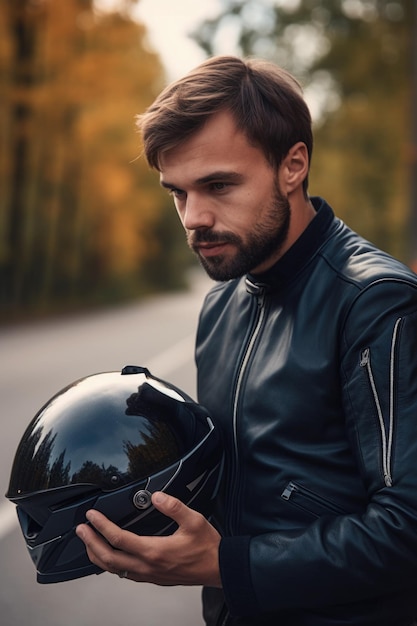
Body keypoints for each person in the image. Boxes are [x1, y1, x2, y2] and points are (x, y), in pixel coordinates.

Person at [76, 56, 417, 625]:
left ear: (293, 165)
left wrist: (227, 563)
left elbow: (407, 527)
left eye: (218, 185)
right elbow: (255, 483)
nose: (193, 217)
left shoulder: (376, 302)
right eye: (177, 193)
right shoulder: (222, 304)